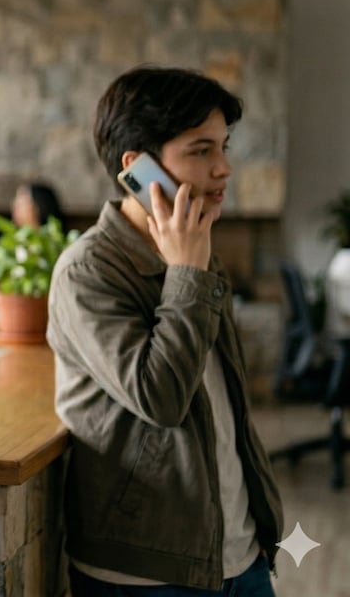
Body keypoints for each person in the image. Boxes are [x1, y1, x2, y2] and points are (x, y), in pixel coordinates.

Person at [48, 66, 283, 595]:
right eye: (201, 151)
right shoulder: (88, 271)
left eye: (224, 148)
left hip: (237, 549)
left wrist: (259, 515)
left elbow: (229, 406)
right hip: (147, 571)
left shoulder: (196, 248)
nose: (224, 169)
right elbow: (162, 399)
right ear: (137, 168)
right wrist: (186, 276)